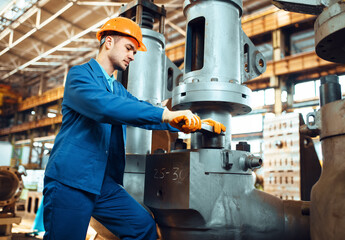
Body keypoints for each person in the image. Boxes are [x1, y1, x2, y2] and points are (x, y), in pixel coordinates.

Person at [43, 17, 225, 240]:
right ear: (108, 41)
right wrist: (165, 114)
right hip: (70, 181)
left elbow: (138, 109)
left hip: (102, 183)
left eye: (135, 52)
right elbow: (105, 107)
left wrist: (181, 122)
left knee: (142, 227)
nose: (132, 56)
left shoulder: (116, 88)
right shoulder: (80, 76)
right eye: (129, 48)